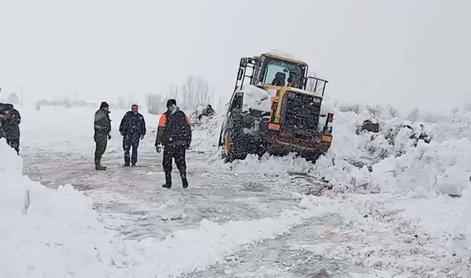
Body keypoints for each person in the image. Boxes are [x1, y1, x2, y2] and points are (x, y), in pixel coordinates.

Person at [155, 99, 192, 189]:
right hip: (181, 143)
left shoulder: (165, 116)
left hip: (169, 144)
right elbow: (188, 128)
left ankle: (168, 182)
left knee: (167, 163)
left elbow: (161, 129)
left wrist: (157, 143)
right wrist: (188, 141)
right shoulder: (182, 114)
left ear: (167, 106)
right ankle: (183, 178)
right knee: (181, 162)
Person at [94, 102, 111, 170]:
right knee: (100, 149)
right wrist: (103, 130)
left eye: (107, 107)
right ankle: (97, 165)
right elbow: (97, 124)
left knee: (102, 149)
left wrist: (108, 133)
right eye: (105, 107)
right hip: (100, 134)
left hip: (103, 134)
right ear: (102, 107)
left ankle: (98, 164)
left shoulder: (105, 113)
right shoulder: (100, 113)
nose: (106, 108)